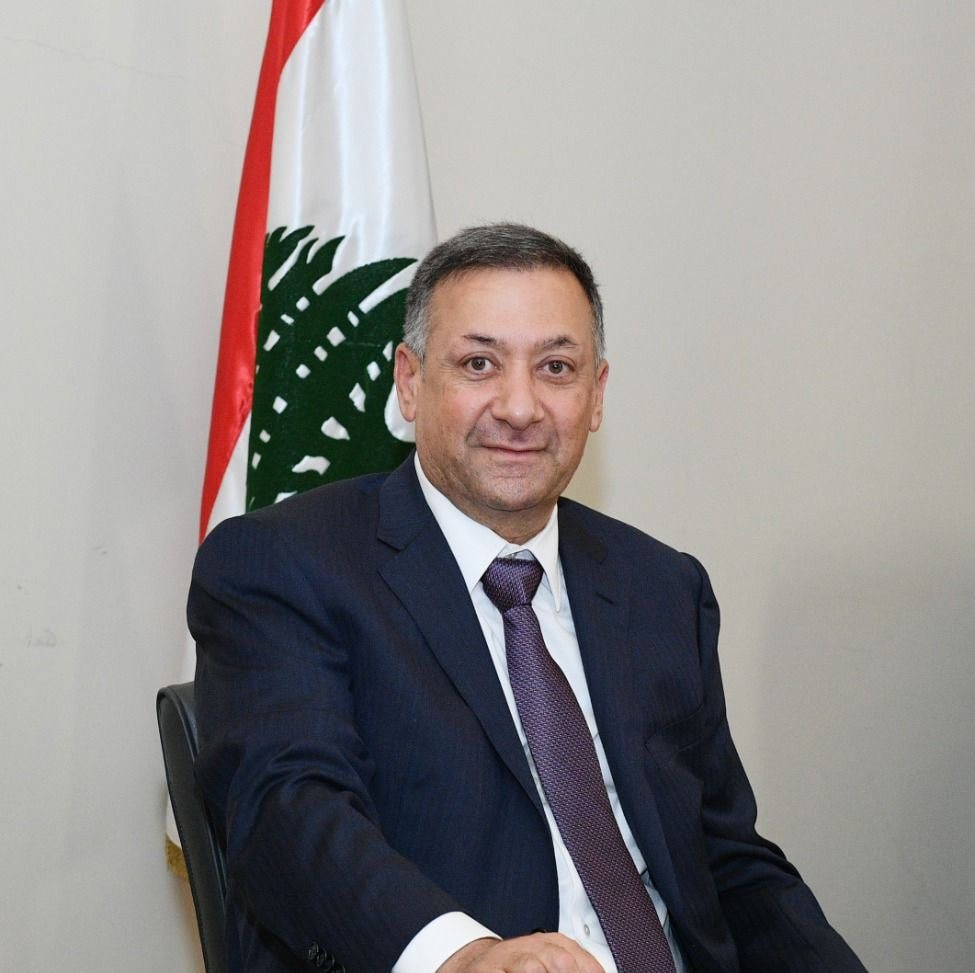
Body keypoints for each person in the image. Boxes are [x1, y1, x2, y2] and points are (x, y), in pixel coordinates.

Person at [188, 223, 867, 973]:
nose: (519, 407)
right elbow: (290, 813)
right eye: (479, 363)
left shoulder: (661, 586)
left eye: (555, 367)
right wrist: (466, 956)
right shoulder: (287, 565)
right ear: (409, 382)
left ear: (596, 394)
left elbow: (726, 858)